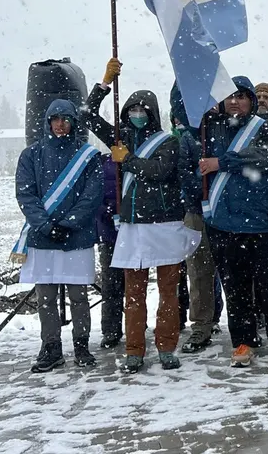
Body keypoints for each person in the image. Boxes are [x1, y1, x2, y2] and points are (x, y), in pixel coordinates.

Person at [85, 61, 199, 373]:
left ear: (152, 111)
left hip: (165, 224)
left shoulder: (169, 141)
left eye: (142, 109)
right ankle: (135, 349)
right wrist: (104, 83)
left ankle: (166, 347)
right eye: (132, 110)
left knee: (167, 293)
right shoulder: (119, 137)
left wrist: (129, 159)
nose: (136, 114)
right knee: (133, 295)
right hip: (133, 225)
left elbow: (158, 172)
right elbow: (87, 116)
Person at [201, 76, 268, 367]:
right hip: (226, 224)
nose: (234, 101)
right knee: (236, 289)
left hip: (265, 223)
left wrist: (223, 162)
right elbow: (183, 107)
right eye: (229, 96)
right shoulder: (210, 127)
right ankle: (243, 342)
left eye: (241, 96)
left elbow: (267, 157)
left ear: (252, 100)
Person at [14, 99, 103, 372]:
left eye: (66, 118)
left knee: (78, 296)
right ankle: (51, 347)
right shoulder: (31, 155)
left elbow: (92, 194)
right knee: (46, 298)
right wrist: (46, 225)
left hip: (76, 237)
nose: (61, 124)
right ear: (48, 122)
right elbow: (26, 195)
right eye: (56, 118)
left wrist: (69, 223)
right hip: (43, 237)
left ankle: (81, 345)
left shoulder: (88, 155)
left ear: (74, 122)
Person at [170, 85, 220, 354]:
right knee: (199, 271)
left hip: (229, 210)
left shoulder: (227, 130)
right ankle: (201, 325)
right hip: (197, 210)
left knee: (236, 271)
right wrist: (201, 189)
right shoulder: (188, 136)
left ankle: (242, 326)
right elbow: (184, 172)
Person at [96, 153, 124, 350]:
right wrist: (106, 211)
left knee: (134, 286)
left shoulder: (137, 158)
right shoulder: (102, 164)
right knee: (111, 285)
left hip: (134, 229)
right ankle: (111, 330)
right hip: (109, 233)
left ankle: (134, 326)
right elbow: (93, 195)